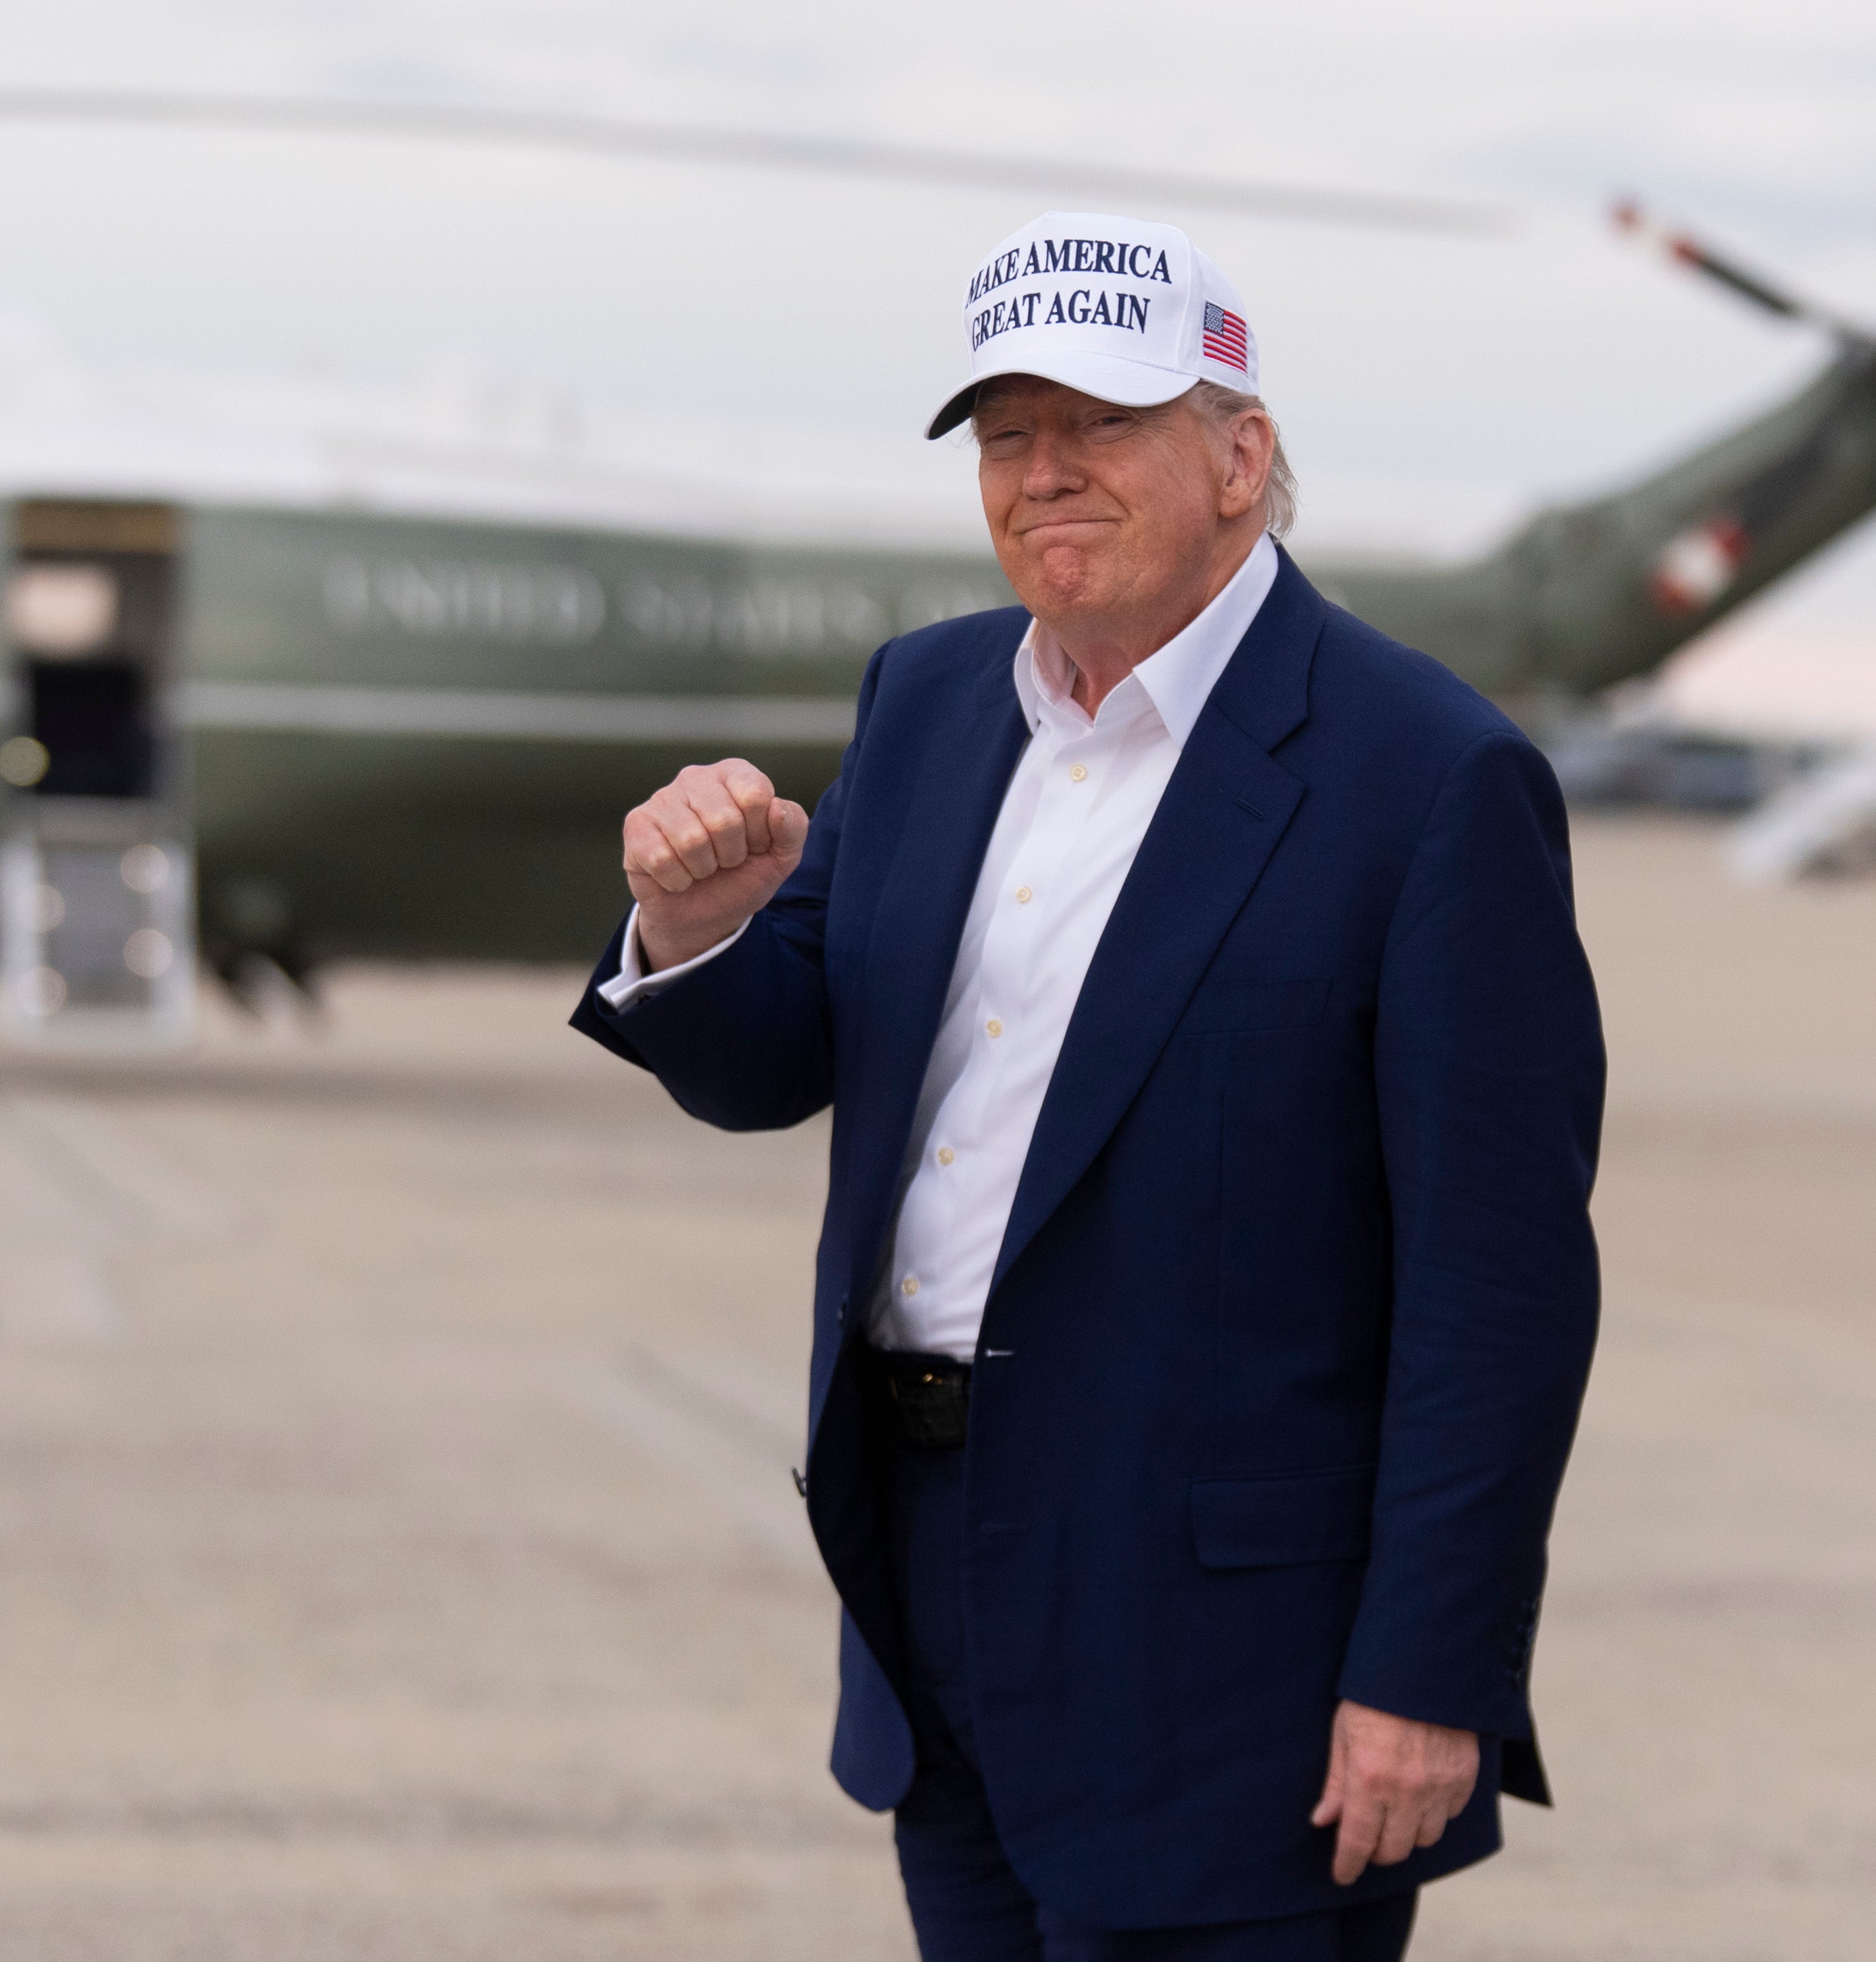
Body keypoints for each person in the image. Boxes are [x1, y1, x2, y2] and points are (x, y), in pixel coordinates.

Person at [572, 212, 1604, 1960]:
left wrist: (1432, 1672)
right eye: (1004, 434)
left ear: (1240, 456)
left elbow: (1496, 1288)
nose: (1043, 472)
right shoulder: (929, 703)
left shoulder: (1428, 778)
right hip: (927, 1580)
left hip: (1236, 1667)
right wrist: (689, 924)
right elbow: (774, 1066)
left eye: (1101, 424)